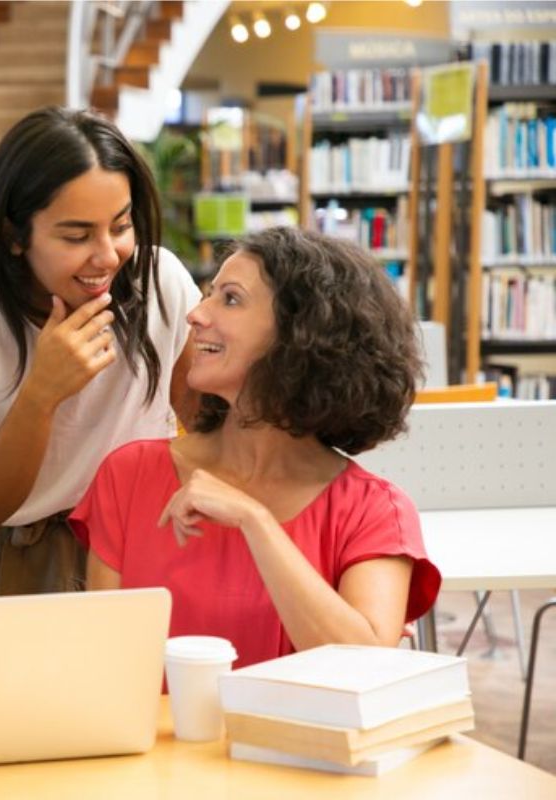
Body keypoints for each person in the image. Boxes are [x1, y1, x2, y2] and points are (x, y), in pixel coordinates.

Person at [70, 227, 442, 668]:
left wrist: (255, 521)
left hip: (296, 740)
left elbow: (364, 665)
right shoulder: (130, 476)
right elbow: (104, 663)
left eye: (229, 299)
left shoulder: (374, 511)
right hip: (156, 739)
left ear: (300, 335)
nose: (195, 315)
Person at [0, 106, 200, 597]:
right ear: (14, 236)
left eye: (121, 226)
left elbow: (211, 430)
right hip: (14, 557)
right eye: (76, 235)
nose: (107, 255)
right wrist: (42, 392)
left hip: (143, 545)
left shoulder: (160, 280)